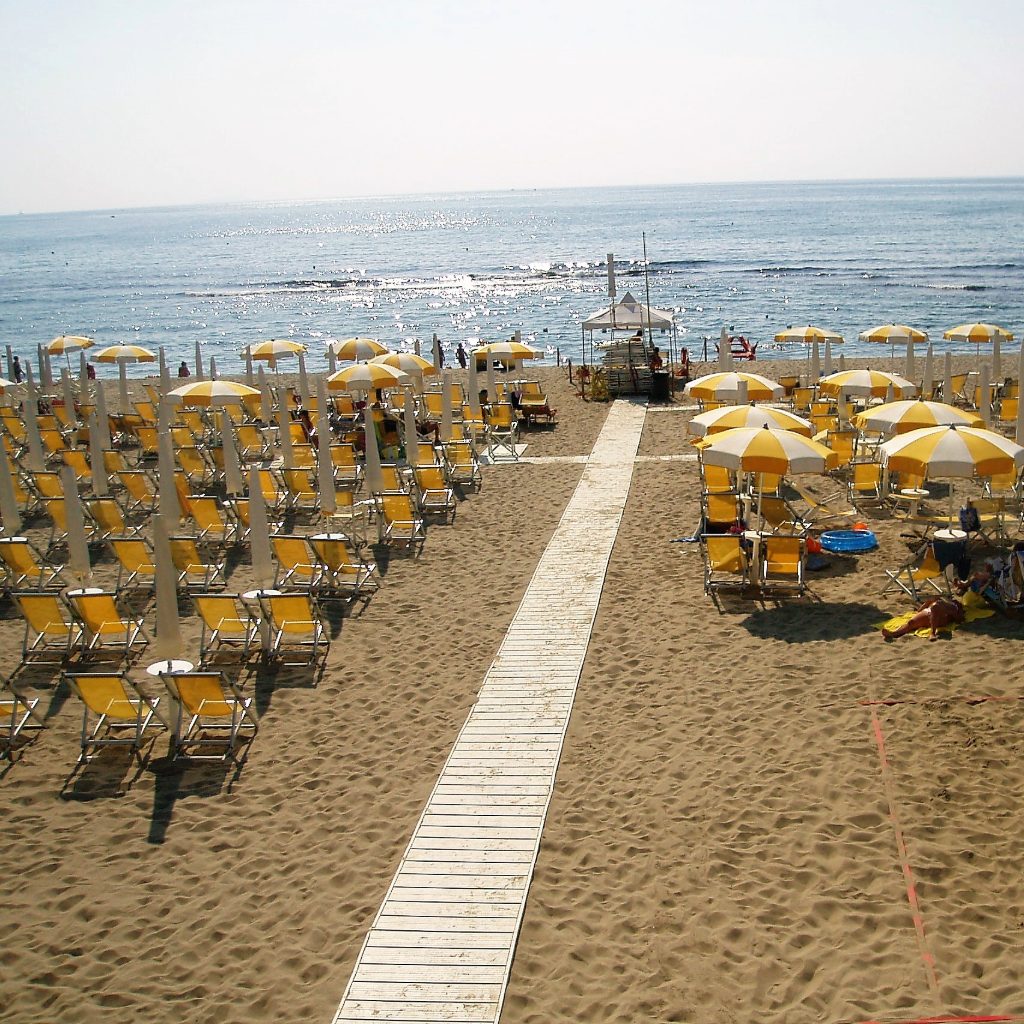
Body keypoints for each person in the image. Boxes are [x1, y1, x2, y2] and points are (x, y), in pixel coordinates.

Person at [881, 595, 965, 641]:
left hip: (942, 616)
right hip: (928, 613)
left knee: (936, 606)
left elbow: (959, 619)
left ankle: (932, 633)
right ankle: (893, 633)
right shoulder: (939, 598)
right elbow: (927, 602)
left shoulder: (956, 605)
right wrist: (919, 611)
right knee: (911, 623)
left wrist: (951, 612)